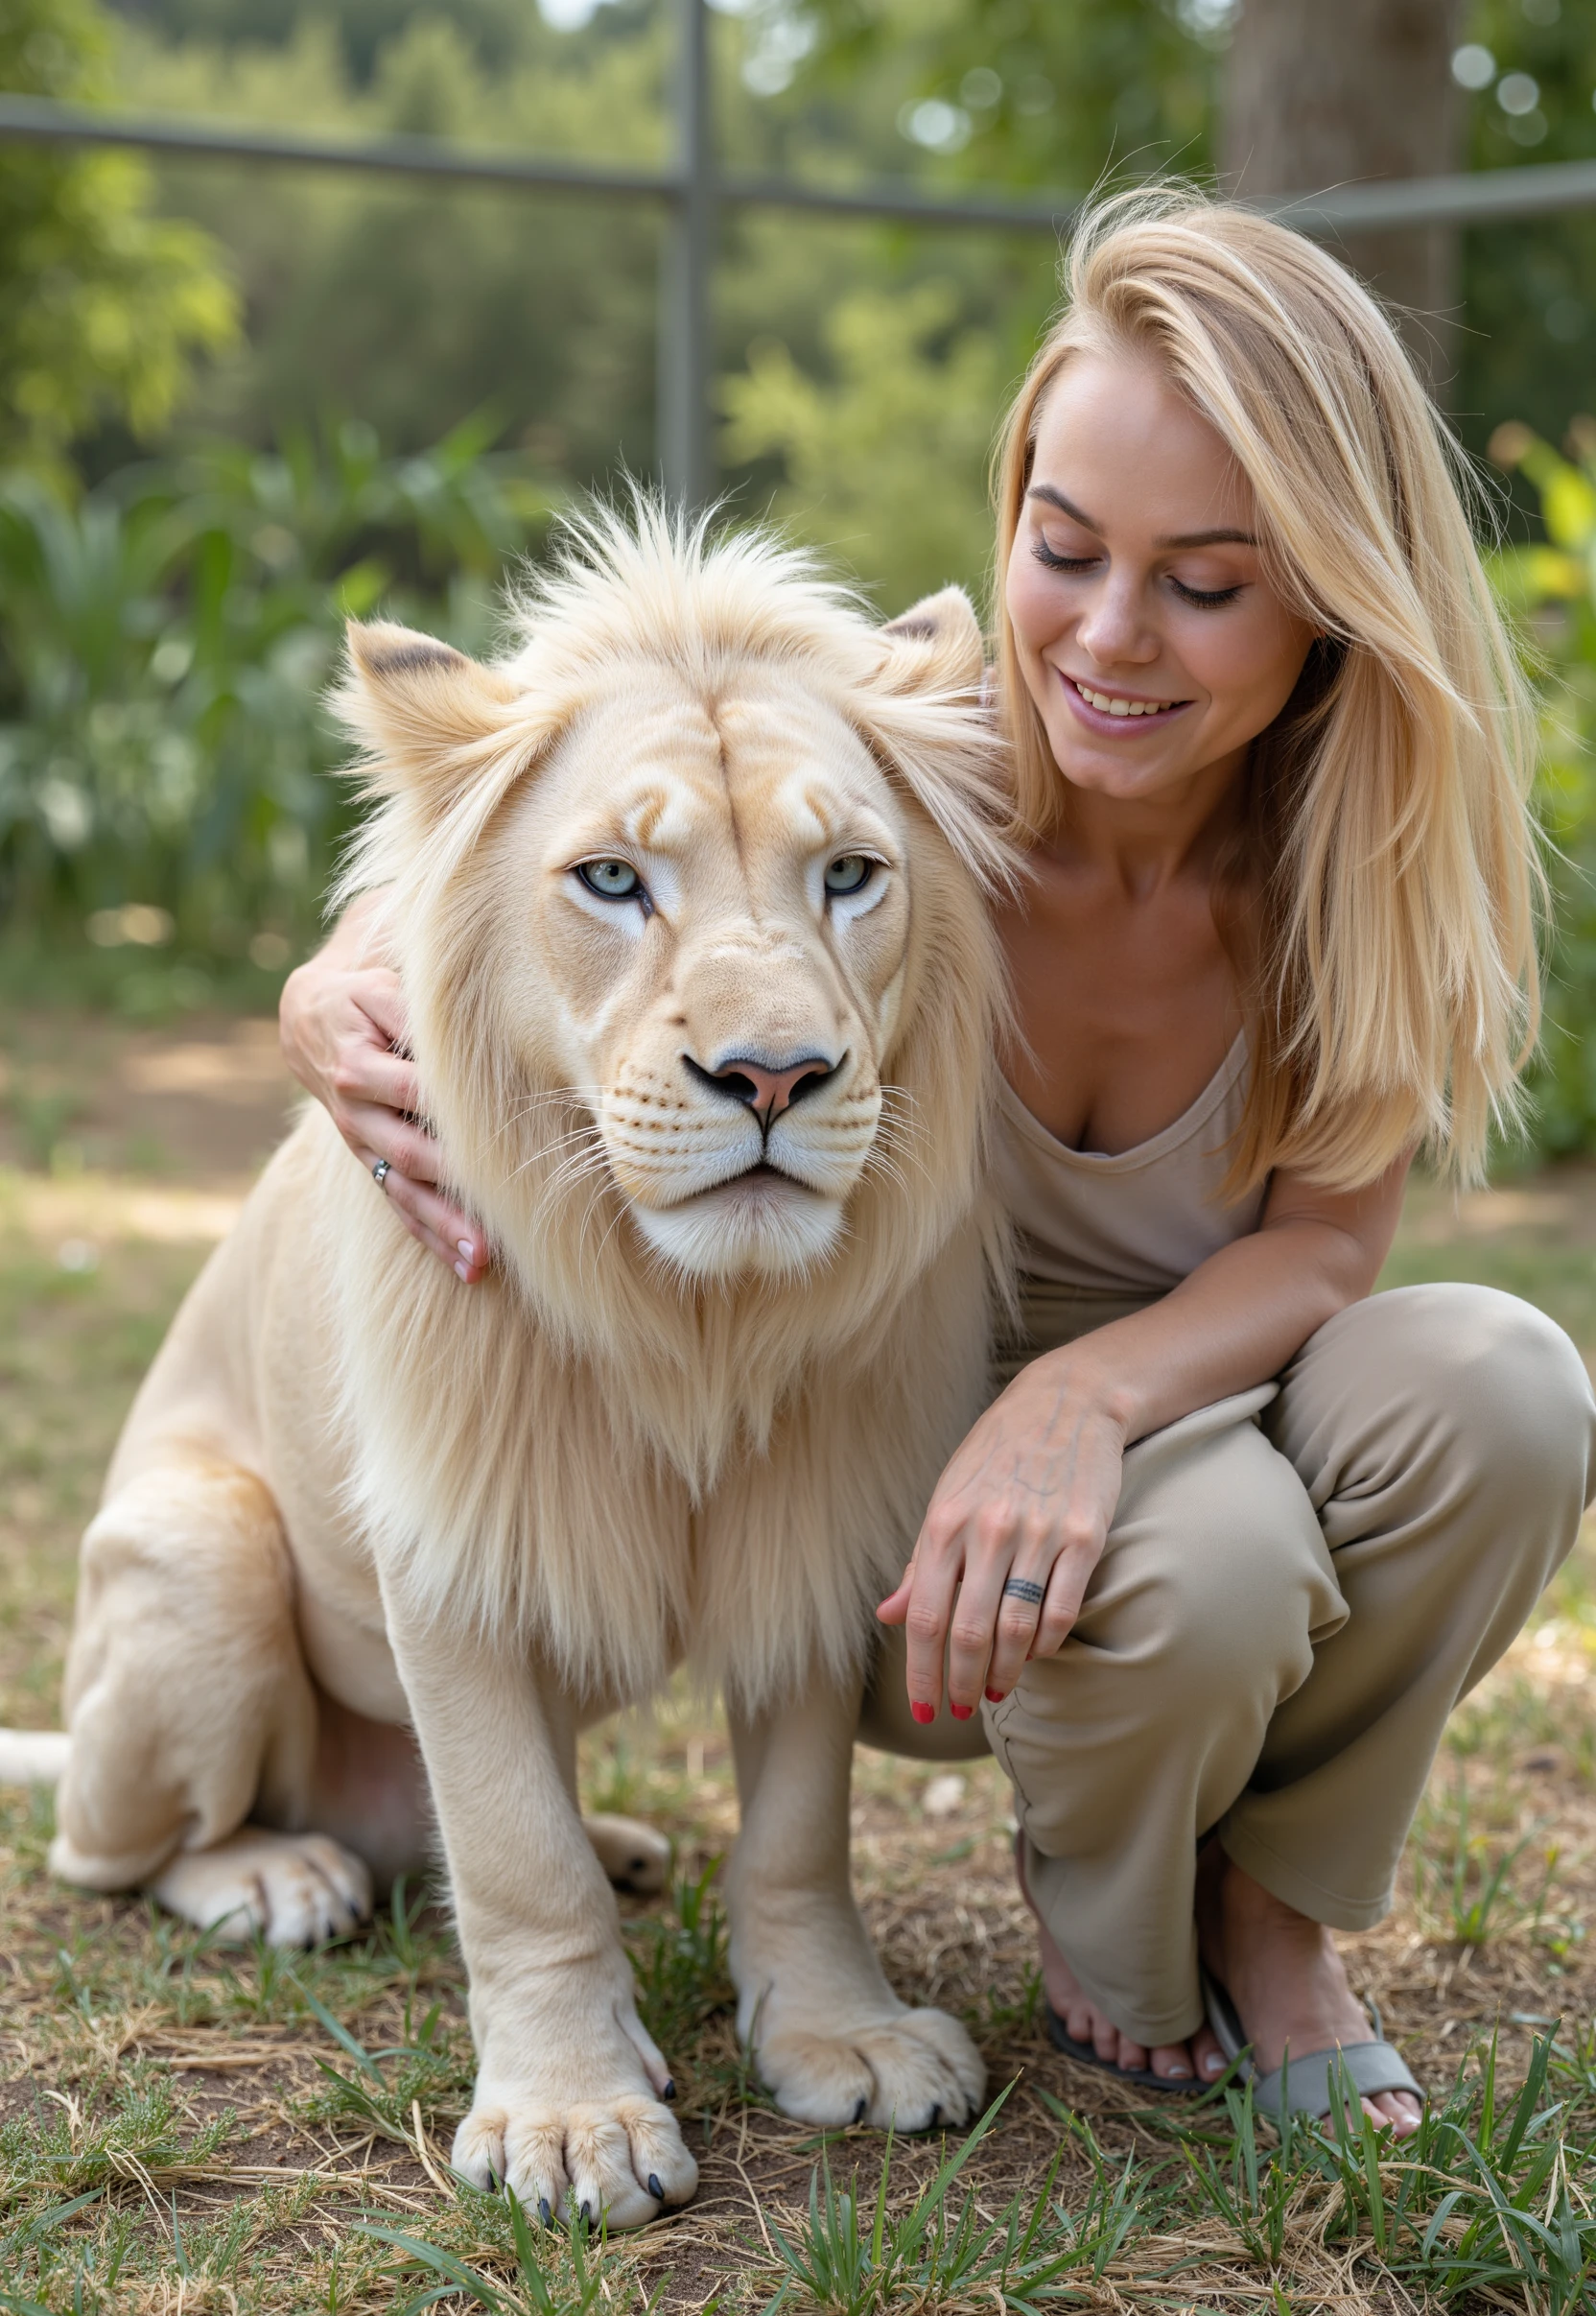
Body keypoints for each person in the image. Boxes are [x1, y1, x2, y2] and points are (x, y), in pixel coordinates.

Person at [281, 191, 1596, 2133]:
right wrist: (333, 981)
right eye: (1061, 550)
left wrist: (1080, 1393)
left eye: (1206, 584)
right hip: (903, 1518)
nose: (1107, 641)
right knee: (1219, 1565)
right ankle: (1104, 1915)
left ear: (1327, 583)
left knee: (1504, 1385)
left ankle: (1272, 1911)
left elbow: (1328, 1251)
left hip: (1155, 1410)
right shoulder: (918, 752)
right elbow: (587, 825)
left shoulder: (1351, 863)